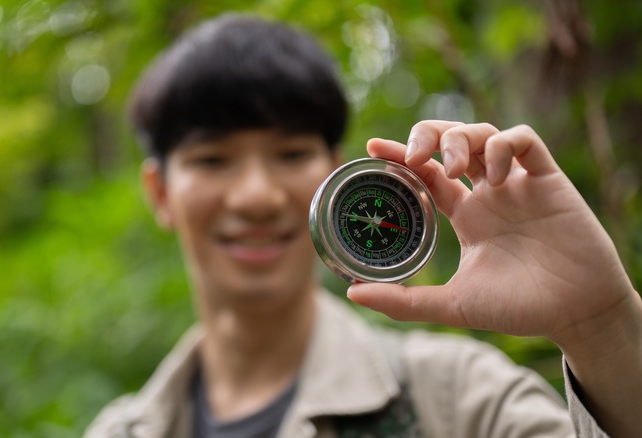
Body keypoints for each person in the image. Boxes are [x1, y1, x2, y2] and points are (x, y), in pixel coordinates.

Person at [85, 13, 642, 438]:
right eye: (212, 160)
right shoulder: (119, 431)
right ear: (160, 192)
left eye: (290, 153)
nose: (257, 195)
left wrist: (601, 329)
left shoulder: (461, 400)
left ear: (334, 174)